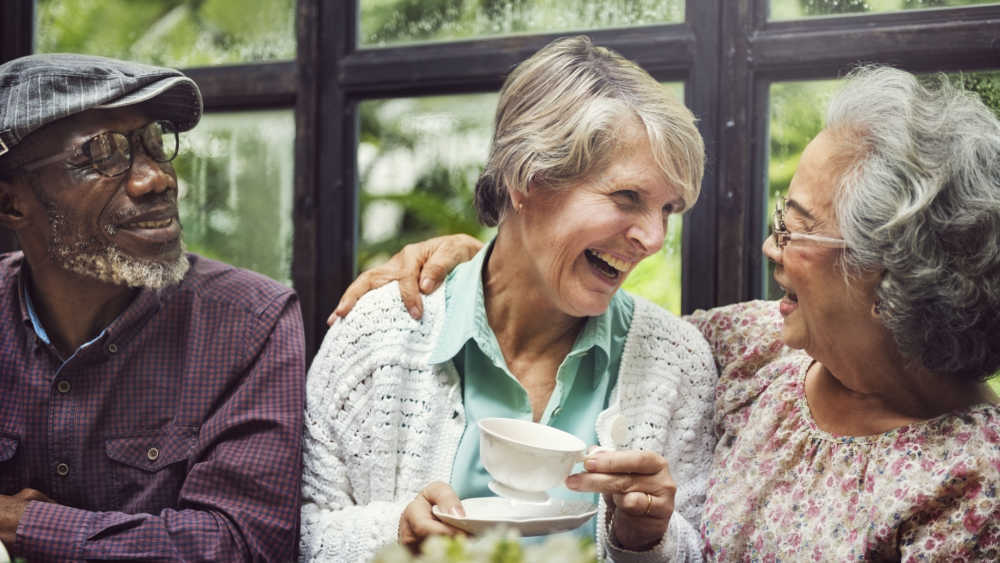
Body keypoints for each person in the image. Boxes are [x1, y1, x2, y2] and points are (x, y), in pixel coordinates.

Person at [334, 65, 1000, 560]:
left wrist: (643, 536)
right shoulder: (757, 348)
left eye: (794, 229)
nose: (770, 246)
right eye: (628, 197)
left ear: (888, 274)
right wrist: (472, 257)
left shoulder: (972, 486)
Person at [300, 36, 717, 562]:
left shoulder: (678, 363)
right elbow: (294, 533)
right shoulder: (376, 336)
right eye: (627, 197)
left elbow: (703, 547)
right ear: (528, 178)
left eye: (669, 210)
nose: (653, 239)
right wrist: (397, 537)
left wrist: (648, 540)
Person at [0, 54, 305, 561]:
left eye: (154, 145)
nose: (156, 180)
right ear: (12, 205)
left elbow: (244, 546)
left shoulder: (250, 321)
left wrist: (24, 522)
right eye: (102, 154)